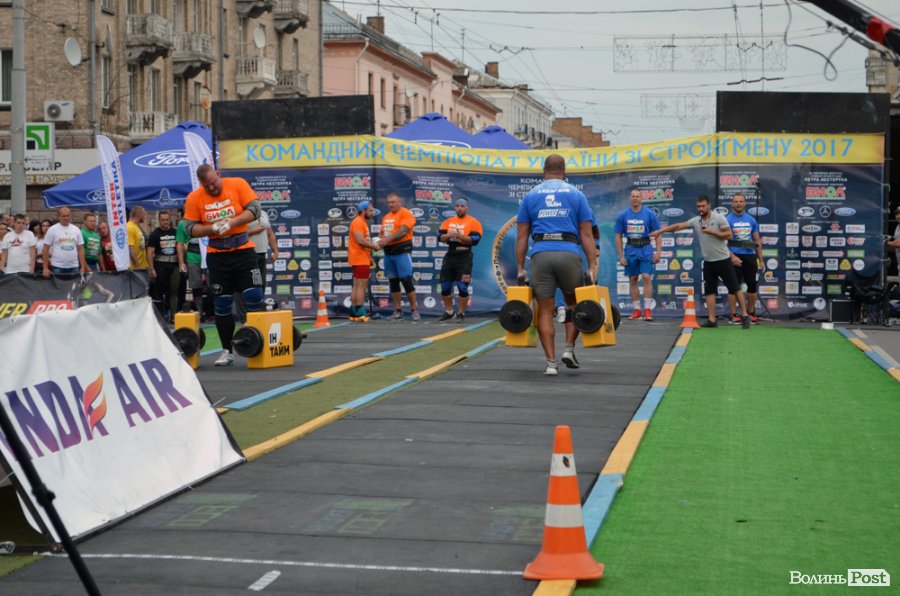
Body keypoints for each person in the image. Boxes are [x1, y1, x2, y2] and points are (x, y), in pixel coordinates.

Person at [516, 154, 598, 376]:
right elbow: (587, 234)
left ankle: (551, 363)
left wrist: (520, 268)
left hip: (541, 254)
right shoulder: (577, 194)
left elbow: (522, 236)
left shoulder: (531, 195)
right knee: (573, 305)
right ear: (564, 172)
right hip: (568, 252)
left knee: (545, 309)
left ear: (544, 171)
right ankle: (569, 350)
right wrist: (592, 265)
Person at [182, 164, 263, 366]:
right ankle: (227, 351)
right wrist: (212, 228)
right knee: (222, 302)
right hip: (217, 255)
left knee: (254, 295)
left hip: (243, 250)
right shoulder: (194, 197)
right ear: (201, 184)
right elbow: (189, 229)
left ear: (218, 174)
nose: (212, 188)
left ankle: (258, 345)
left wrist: (232, 222)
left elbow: (255, 210)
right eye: (207, 186)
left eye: (214, 183)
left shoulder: (237, 184)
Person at [650, 195, 750, 329]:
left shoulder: (719, 218)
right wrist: (661, 231)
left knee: (735, 288)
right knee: (709, 291)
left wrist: (712, 232)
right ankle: (712, 320)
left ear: (709, 206)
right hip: (708, 261)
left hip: (723, 260)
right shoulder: (696, 221)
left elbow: (729, 235)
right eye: (698, 206)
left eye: (703, 206)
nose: (701, 209)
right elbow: (678, 226)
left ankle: (745, 316)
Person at [615, 189, 662, 321]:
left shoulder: (649, 214)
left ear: (641, 198)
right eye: (633, 196)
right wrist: (621, 256)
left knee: (646, 277)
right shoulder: (623, 215)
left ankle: (647, 310)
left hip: (646, 248)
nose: (635, 198)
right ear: (630, 198)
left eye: (637, 196)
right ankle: (637, 310)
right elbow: (618, 236)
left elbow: (658, 233)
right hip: (630, 249)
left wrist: (658, 252)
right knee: (633, 279)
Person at [437, 197, 483, 322]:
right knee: (445, 286)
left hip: (464, 256)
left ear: (467, 208)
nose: (460, 208)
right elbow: (439, 237)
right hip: (450, 254)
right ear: (455, 207)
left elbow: (475, 240)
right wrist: (447, 236)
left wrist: (460, 236)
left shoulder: (474, 222)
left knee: (462, 286)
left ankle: (461, 313)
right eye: (457, 206)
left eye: (462, 206)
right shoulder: (448, 221)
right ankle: (449, 312)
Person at [380, 192, 420, 321]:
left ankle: (414, 311)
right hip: (388, 253)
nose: (390, 204)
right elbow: (382, 233)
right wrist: (380, 240)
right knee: (393, 282)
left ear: (400, 202)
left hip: (402, 252)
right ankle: (398, 311)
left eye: (393, 202)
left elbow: (403, 231)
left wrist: (387, 240)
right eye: (388, 203)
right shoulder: (386, 217)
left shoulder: (406, 213)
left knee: (406, 281)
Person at [726, 192, 764, 325]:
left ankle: (751, 314)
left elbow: (756, 241)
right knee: (733, 287)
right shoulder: (727, 220)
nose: (738, 204)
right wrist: (731, 256)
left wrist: (761, 259)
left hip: (750, 256)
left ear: (745, 203)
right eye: (736, 201)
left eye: (741, 201)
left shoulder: (751, 220)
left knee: (752, 286)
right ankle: (733, 315)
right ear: (732, 203)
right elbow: (723, 242)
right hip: (734, 256)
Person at [234, 209, 277, 323]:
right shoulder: (239, 213)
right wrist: (253, 231)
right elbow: (234, 235)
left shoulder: (263, 213)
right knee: (243, 287)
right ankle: (243, 319)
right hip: (245, 254)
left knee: (260, 286)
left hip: (261, 255)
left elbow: (270, 233)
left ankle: (257, 316)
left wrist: (275, 250)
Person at [348, 200, 381, 322]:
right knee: (361, 286)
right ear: (363, 211)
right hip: (359, 259)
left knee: (357, 285)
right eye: (370, 211)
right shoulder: (358, 222)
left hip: (361, 258)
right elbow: (360, 240)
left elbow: (362, 242)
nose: (372, 213)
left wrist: (369, 257)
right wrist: (375, 246)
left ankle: (354, 312)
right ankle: (360, 313)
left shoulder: (361, 222)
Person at [147, 211, 180, 322]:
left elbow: (180, 248)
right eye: (163, 220)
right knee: (159, 293)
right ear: (159, 221)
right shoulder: (154, 234)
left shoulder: (175, 232)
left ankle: (174, 316)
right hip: (160, 267)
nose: (166, 222)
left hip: (174, 266)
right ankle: (160, 317)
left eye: (167, 219)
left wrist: (182, 263)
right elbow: (149, 253)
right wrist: (152, 269)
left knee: (174, 291)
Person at [176, 210, 207, 318]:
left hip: (209, 257)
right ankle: (200, 313)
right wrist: (181, 262)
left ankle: (213, 312)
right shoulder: (183, 224)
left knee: (213, 285)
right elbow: (179, 244)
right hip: (192, 258)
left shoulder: (206, 218)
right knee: (196, 286)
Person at [42, 206, 88, 277]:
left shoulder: (76, 230)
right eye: (63, 216)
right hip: (57, 266)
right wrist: (45, 268)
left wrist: (82, 267)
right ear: (59, 217)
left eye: (67, 216)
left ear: (70, 216)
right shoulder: (52, 229)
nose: (66, 218)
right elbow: (45, 249)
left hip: (74, 266)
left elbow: (81, 250)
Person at [127, 206, 149, 270]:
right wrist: (137, 265)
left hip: (141, 267)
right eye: (144, 214)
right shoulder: (129, 227)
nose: (145, 217)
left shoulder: (136, 227)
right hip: (135, 269)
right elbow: (130, 248)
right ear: (139, 214)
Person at [888, 206, 900, 276]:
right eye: (897, 214)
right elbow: (895, 245)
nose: (898, 216)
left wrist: (884, 242)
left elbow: (898, 243)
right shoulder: (897, 227)